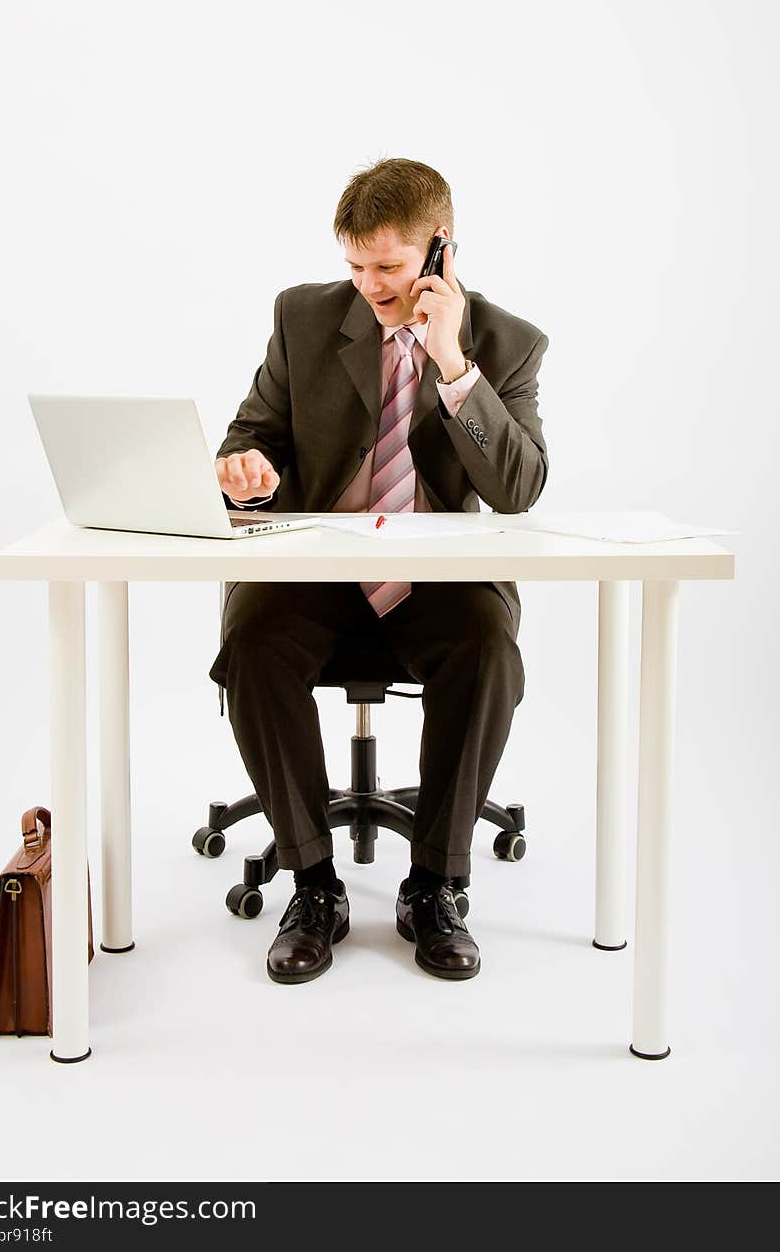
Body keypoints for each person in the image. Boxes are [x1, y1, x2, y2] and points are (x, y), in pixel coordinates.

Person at [208, 157, 548, 985]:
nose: (368, 284)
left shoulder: (505, 342)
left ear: (440, 252)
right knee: (252, 638)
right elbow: (253, 433)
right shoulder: (302, 318)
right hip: (321, 577)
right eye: (354, 265)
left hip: (437, 581)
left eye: (388, 266)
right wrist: (245, 469)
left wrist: (452, 364)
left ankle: (434, 885)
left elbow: (517, 490)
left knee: (487, 648)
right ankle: (314, 886)